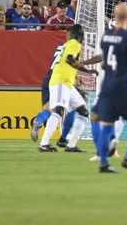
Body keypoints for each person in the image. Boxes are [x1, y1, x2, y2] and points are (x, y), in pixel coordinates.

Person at [86, 3, 127, 173]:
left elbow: (105, 61)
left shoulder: (105, 36)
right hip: (122, 85)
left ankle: (104, 164)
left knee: (106, 124)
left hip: (107, 85)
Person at [38, 24, 96, 153]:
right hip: (60, 81)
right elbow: (70, 60)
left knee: (83, 111)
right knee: (58, 111)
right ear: (81, 36)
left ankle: (71, 145)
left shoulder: (68, 45)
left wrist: (87, 71)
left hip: (67, 83)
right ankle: (44, 144)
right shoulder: (74, 44)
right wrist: (88, 69)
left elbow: (71, 63)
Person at [30, 42, 80, 148]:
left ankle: (38, 121)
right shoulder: (73, 47)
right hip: (61, 78)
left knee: (48, 109)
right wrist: (76, 79)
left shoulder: (60, 47)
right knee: (72, 108)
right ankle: (63, 139)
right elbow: (71, 64)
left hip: (49, 77)